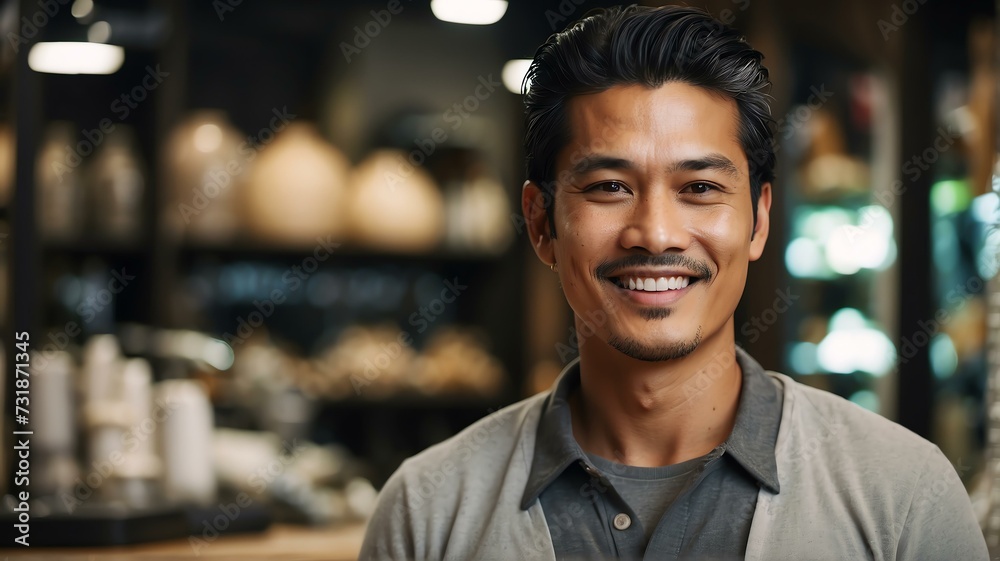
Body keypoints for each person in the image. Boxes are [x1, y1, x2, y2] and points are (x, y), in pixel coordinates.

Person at [359, 5, 989, 560]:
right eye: (609, 187)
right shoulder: (427, 514)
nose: (656, 234)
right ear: (541, 223)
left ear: (759, 219)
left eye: (701, 189)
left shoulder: (903, 496)